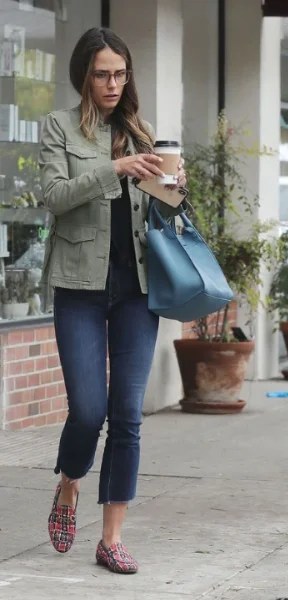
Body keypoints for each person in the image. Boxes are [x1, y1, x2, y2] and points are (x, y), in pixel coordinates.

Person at [39, 27, 186, 574]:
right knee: (88, 410)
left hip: (136, 290)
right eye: (102, 74)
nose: (112, 84)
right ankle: (69, 482)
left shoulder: (140, 130)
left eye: (120, 74)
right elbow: (54, 197)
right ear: (84, 75)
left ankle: (112, 538)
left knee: (127, 415)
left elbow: (164, 215)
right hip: (78, 284)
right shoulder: (57, 127)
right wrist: (115, 169)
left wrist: (174, 188)